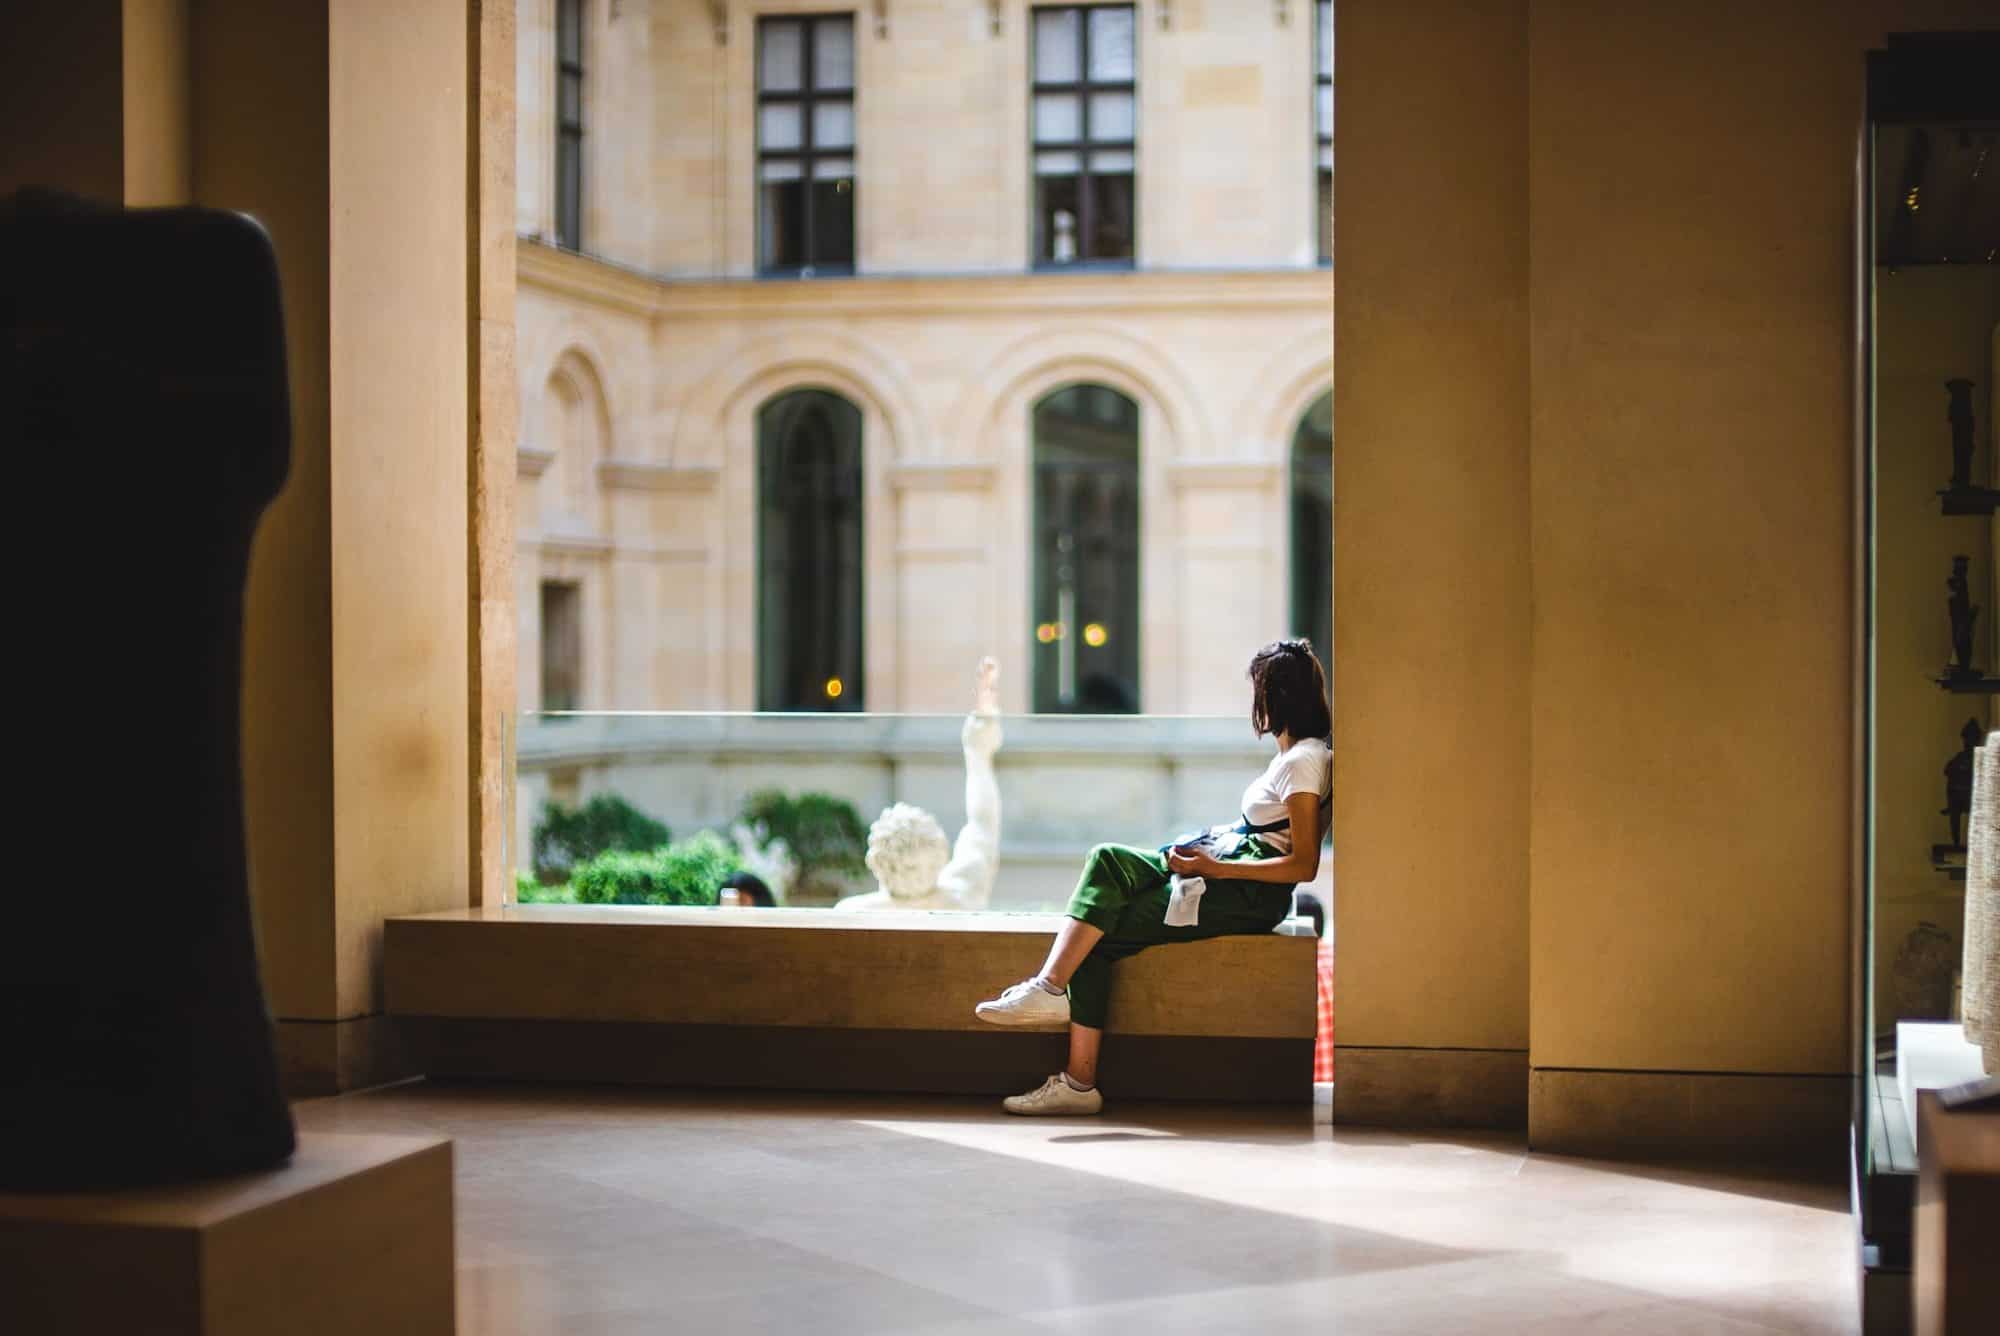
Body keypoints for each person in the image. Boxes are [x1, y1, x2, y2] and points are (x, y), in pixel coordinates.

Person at [973, 638, 1332, 1115]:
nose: (1254, 701)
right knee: (1103, 893)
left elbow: (1303, 864)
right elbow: (1274, 835)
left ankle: (1057, 1014)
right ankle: (1064, 1039)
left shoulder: (1303, 761)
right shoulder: (1300, 754)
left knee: (1100, 897)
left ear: (1276, 697)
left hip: (1247, 893)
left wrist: (1214, 866)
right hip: (1233, 871)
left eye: (1259, 689)